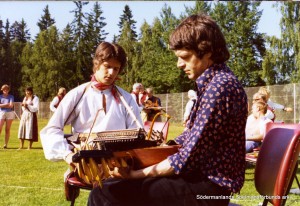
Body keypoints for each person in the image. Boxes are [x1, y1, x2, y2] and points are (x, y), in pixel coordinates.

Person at [88, 14, 248, 206]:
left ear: (207, 52)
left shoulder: (218, 88)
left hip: (209, 187)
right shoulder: (216, 83)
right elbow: (189, 139)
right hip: (201, 181)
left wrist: (135, 174)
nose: (179, 64)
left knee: (106, 193)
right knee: (110, 186)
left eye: (185, 57)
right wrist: (154, 148)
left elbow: (185, 159)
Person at [40, 42, 142, 164]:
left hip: (119, 166)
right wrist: (67, 154)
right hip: (85, 165)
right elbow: (52, 128)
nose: (111, 72)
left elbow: (137, 133)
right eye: (107, 66)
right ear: (96, 64)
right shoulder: (78, 94)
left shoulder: (126, 99)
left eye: (116, 68)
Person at [0, 84, 15, 149]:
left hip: (10, 113)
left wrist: (2, 105)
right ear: (2, 90)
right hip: (2, 112)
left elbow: (11, 105)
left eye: (7, 89)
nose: (5, 90)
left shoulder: (11, 96)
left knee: (7, 129)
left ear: (8, 90)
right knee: (0, 128)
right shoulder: (0, 96)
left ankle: (5, 144)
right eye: (4, 89)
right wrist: (6, 104)